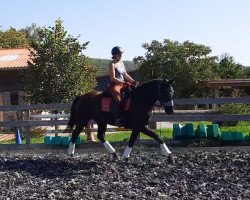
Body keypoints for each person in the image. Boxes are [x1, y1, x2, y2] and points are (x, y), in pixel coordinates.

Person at [108, 46, 138, 124]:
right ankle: (118, 118)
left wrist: (133, 81)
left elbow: (125, 74)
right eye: (119, 54)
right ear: (114, 55)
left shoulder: (121, 62)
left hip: (123, 83)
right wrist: (123, 82)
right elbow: (113, 78)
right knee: (119, 100)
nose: (121, 55)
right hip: (115, 84)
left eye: (121, 54)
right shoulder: (111, 64)